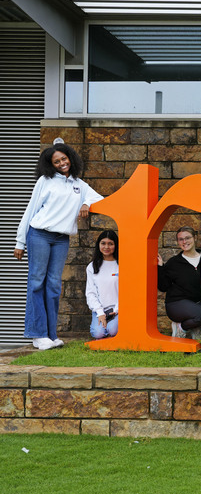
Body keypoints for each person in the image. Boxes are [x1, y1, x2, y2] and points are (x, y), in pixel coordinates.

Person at [14, 139, 103, 350]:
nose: (62, 163)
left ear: (70, 158)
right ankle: (38, 334)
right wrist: (20, 241)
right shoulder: (45, 181)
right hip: (40, 235)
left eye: (64, 159)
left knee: (53, 286)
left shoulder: (79, 185)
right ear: (50, 164)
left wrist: (85, 203)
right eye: (56, 161)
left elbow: (98, 198)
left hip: (61, 239)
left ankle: (51, 335)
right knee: (37, 282)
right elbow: (30, 210)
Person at [157, 226, 201, 340]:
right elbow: (163, 286)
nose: (184, 242)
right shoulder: (174, 263)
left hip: (199, 302)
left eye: (187, 238)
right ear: (178, 242)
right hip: (177, 303)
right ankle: (181, 327)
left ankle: (193, 327)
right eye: (181, 239)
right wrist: (161, 267)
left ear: (195, 238)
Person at [86, 230, 119, 339]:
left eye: (110, 243)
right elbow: (90, 293)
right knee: (98, 334)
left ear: (116, 245)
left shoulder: (121, 265)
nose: (106, 247)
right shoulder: (92, 266)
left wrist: (117, 310)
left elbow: (126, 291)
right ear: (98, 245)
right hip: (100, 309)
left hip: (117, 310)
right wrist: (100, 313)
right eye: (103, 243)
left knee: (113, 330)